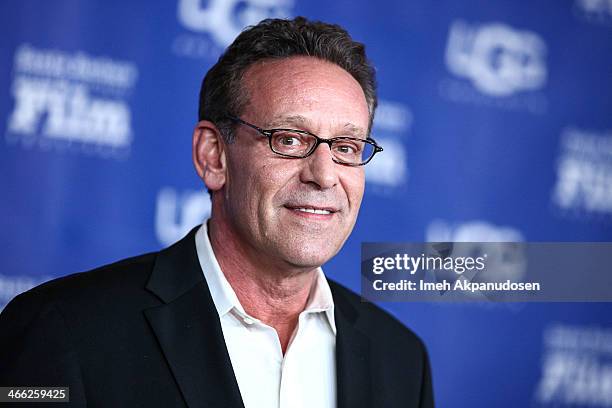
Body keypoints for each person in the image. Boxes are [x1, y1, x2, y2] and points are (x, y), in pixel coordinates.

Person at [0, 17, 433, 408]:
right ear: (213, 156)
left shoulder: (401, 359)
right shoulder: (62, 329)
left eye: (345, 147)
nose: (323, 175)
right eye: (288, 139)